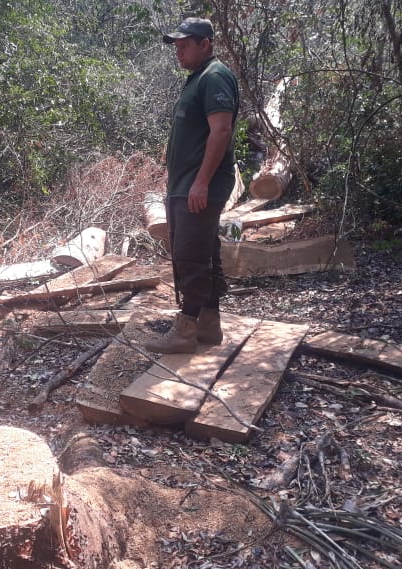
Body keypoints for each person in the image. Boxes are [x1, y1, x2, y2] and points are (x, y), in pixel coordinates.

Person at [146, 17, 239, 354]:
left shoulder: (214, 77)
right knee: (203, 252)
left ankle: (185, 330)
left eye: (184, 45)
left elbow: (222, 131)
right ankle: (209, 327)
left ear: (206, 43)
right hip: (187, 184)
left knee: (189, 256)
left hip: (200, 187)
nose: (178, 52)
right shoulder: (198, 79)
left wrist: (201, 182)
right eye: (176, 46)